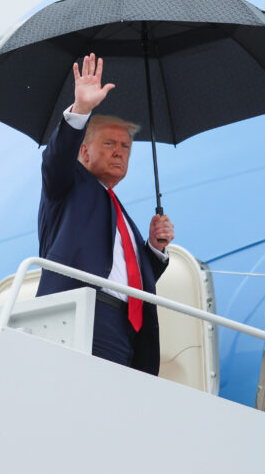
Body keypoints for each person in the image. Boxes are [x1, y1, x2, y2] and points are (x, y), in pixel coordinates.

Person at [35, 53, 174, 375]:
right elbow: (55, 158)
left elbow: (130, 276)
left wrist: (155, 249)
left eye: (126, 147)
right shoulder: (67, 185)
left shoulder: (118, 211)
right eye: (110, 143)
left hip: (125, 327)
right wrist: (81, 109)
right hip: (84, 312)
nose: (119, 152)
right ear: (83, 151)